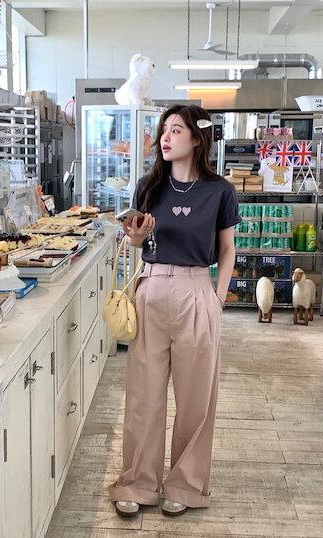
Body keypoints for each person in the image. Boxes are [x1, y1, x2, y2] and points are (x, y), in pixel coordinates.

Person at [108, 104, 242, 517]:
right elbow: (136, 245)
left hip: (197, 291)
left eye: (176, 130)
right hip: (151, 289)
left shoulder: (220, 191)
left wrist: (218, 297)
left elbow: (227, 248)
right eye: (164, 129)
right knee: (144, 395)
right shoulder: (149, 187)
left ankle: (186, 484)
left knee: (196, 398)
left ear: (198, 139)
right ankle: (138, 482)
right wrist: (136, 237)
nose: (165, 137)